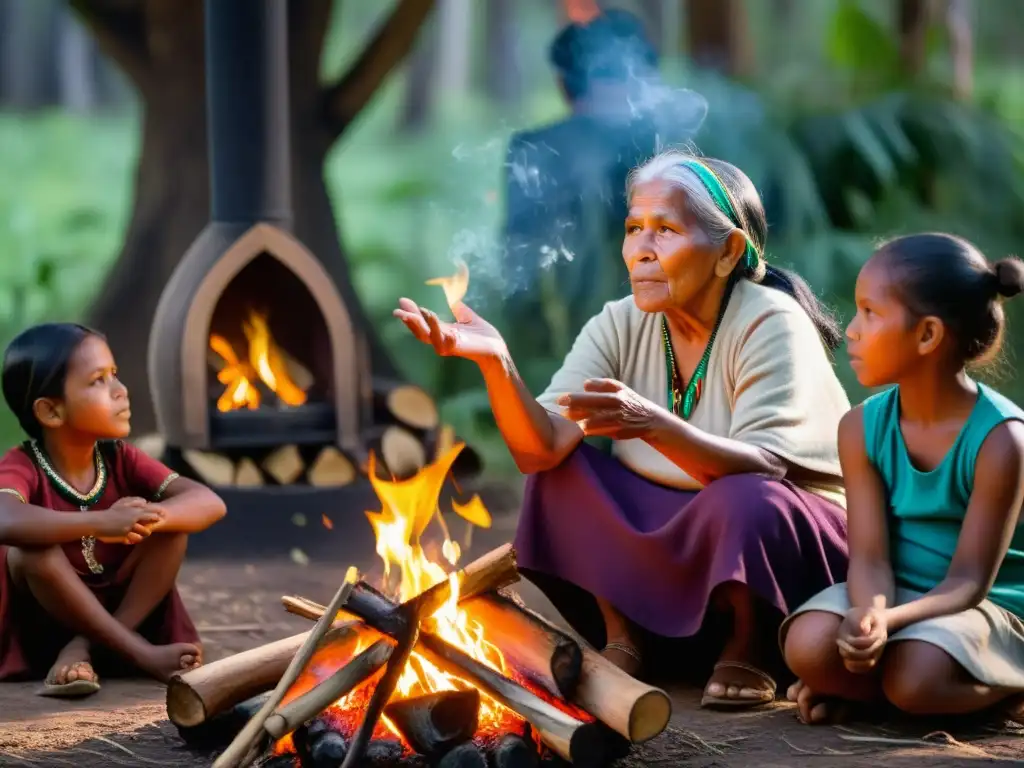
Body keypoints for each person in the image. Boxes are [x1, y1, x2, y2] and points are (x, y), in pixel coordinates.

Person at [395, 150, 851, 709]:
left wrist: (652, 425)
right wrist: (497, 362)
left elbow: (764, 467)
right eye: (634, 228)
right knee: (562, 476)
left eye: (665, 230)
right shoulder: (621, 320)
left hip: (782, 565)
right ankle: (625, 636)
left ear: (728, 251)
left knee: (745, 499)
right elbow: (539, 449)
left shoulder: (771, 320)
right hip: (676, 548)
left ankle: (749, 646)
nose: (641, 248)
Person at [782, 233, 1024, 726]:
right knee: (808, 646)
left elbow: (969, 582)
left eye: (870, 313)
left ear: (928, 335)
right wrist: (870, 616)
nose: (851, 330)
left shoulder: (1003, 440)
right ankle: (884, 695)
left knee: (915, 679)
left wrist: (887, 622)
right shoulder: (861, 427)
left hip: (987, 606)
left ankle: (1006, 692)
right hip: (899, 592)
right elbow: (870, 556)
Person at [0, 323, 226, 698]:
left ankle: (86, 647)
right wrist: (103, 523)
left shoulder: (119, 458)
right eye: (98, 381)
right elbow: (5, 519)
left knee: (171, 531)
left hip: (127, 608)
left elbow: (209, 502)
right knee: (32, 553)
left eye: (115, 375)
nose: (121, 391)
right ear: (51, 411)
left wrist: (149, 518)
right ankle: (140, 655)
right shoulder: (23, 464)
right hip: (47, 620)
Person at [500, 6, 695, 392]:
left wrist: (524, 370)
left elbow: (518, 274)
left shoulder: (536, 150)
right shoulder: (674, 149)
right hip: (680, 354)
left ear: (564, 83)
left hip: (580, 360)